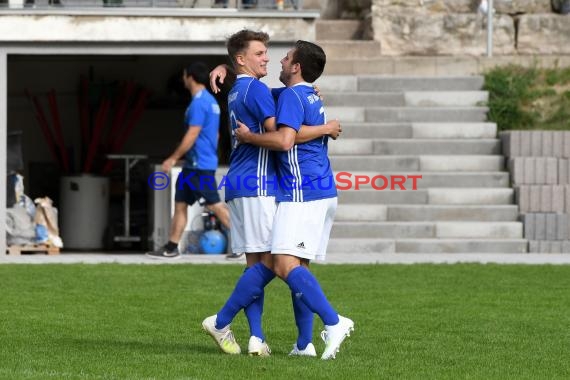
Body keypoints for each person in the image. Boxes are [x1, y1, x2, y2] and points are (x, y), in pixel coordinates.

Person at [201, 30, 340, 357]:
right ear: (242, 59)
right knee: (282, 262)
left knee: (259, 263)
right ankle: (224, 322)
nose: (268, 57)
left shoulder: (240, 89)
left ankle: (258, 338)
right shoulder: (258, 89)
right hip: (260, 183)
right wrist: (322, 124)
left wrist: (302, 91)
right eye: (260, 53)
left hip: (242, 182)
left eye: (270, 53)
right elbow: (283, 136)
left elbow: (282, 102)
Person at [234, 40, 353, 360]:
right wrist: (326, 127)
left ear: (297, 66)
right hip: (321, 189)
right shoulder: (307, 94)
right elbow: (265, 98)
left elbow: (285, 139)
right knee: (297, 266)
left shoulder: (292, 94)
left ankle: (334, 321)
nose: (280, 62)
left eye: (286, 58)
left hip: (303, 193)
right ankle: (304, 344)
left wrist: (248, 137)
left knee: (282, 264)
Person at [146, 62, 230, 260]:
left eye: (184, 75)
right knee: (181, 204)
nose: (183, 78)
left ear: (190, 77)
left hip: (199, 166)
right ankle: (172, 247)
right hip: (194, 165)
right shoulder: (210, 101)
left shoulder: (199, 103)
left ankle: (246, 244)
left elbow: (193, 133)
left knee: (214, 205)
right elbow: (215, 135)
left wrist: (173, 158)